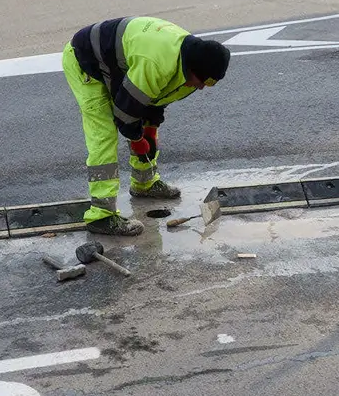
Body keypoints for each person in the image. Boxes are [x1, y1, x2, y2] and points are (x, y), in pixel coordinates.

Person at [63, 17, 231, 236]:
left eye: (210, 84)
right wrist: (137, 139)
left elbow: (155, 97)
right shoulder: (158, 63)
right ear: (195, 69)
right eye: (204, 81)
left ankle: (145, 183)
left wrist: (150, 129)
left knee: (144, 127)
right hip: (87, 61)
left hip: (119, 65)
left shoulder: (188, 63)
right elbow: (125, 113)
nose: (202, 88)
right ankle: (101, 216)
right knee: (104, 136)